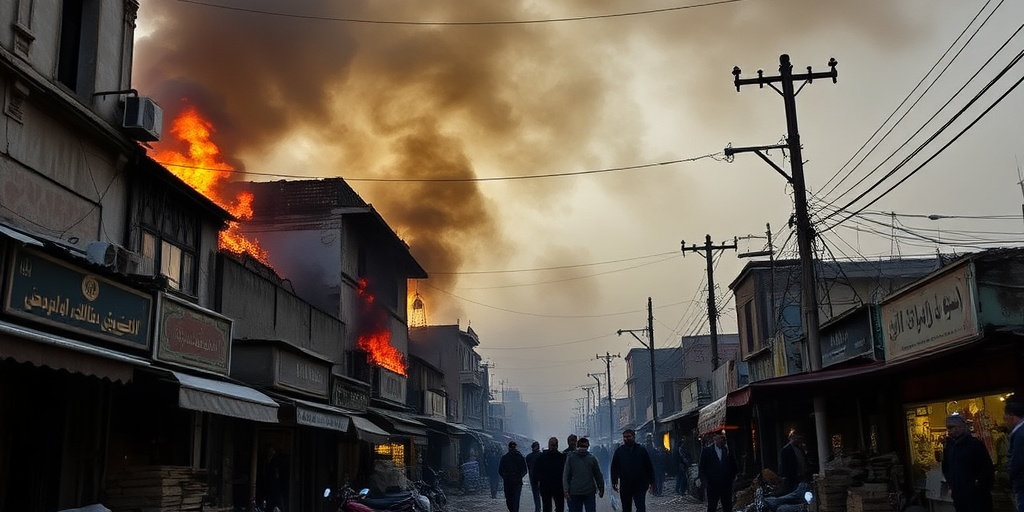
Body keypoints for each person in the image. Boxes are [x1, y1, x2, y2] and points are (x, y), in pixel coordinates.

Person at [941, 414, 994, 512]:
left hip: (977, 497)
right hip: (959, 495)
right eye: (948, 427)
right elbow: (946, 466)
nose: (949, 430)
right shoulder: (949, 445)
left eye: (951, 427)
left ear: (961, 426)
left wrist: (977, 485)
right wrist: (952, 482)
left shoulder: (975, 444)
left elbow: (987, 468)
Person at [611, 429, 655, 512]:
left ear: (633, 437)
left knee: (640, 506)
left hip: (640, 484)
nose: (626, 439)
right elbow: (614, 467)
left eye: (628, 436)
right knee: (626, 507)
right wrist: (614, 481)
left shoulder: (641, 450)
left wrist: (651, 481)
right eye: (624, 437)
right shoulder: (619, 451)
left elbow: (648, 466)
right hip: (625, 484)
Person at [562, 437, 604, 512]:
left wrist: (566, 490)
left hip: (575, 491)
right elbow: (598, 475)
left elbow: (566, 475)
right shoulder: (592, 458)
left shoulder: (571, 457)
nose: (583, 448)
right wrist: (601, 487)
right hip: (588, 491)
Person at [698, 433, 737, 512]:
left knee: (727, 506)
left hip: (726, 484)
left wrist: (731, 478)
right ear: (714, 439)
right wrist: (704, 481)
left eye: (722, 439)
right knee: (712, 506)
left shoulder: (727, 450)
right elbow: (702, 467)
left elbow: (733, 465)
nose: (720, 440)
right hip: (712, 484)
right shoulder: (707, 451)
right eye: (719, 438)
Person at [535, 437, 567, 512]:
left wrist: (539, 482)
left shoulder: (542, 457)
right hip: (557, 486)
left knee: (547, 507)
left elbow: (536, 472)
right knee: (558, 507)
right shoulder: (561, 457)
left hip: (547, 486)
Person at [500, 441, 529, 512]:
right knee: (515, 500)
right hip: (515, 482)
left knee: (510, 500)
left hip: (510, 482)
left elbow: (500, 471)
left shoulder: (505, 458)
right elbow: (525, 470)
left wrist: (505, 477)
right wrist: (519, 476)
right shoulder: (519, 457)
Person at [778, 431, 810, 496]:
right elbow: (784, 464)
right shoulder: (786, 450)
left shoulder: (800, 448)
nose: (800, 440)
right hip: (792, 476)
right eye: (798, 439)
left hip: (801, 475)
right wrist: (785, 475)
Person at [1006, 399, 1024, 512]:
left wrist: (1011, 476)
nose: (1005, 421)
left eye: (1005, 417)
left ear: (1012, 415)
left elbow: (1017, 461)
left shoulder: (1020, 435)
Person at [526, 441, 543, 512]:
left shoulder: (528, 456)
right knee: (544, 494)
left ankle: (537, 507)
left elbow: (528, 467)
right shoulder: (542, 455)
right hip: (542, 478)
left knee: (535, 494)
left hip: (533, 477)